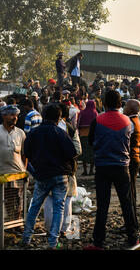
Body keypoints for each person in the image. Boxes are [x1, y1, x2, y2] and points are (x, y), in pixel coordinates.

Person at [85, 90, 138, 249]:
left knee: (103, 205)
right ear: (119, 103)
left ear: (105, 103)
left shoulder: (97, 120)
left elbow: (91, 141)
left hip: (102, 167)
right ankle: (132, 238)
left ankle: (99, 241)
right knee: (126, 203)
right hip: (122, 167)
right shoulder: (129, 122)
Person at [21, 103, 77, 249]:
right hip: (60, 176)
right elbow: (72, 152)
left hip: (42, 175)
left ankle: (26, 238)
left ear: (43, 115)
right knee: (59, 207)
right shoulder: (60, 133)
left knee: (34, 206)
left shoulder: (34, 133)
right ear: (58, 118)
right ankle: (53, 242)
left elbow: (26, 153)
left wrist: (35, 171)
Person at [44, 102, 81, 238]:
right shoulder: (70, 129)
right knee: (67, 200)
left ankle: (50, 230)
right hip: (67, 170)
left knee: (49, 199)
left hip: (47, 169)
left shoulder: (43, 129)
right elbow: (77, 150)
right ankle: (64, 230)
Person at [0, 105, 27, 221]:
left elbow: (24, 154)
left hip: (18, 173)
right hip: (3, 174)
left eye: (16, 115)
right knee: (5, 199)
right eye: (11, 115)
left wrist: (24, 170)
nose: (14, 118)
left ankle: (17, 222)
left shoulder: (20, 133)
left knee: (18, 199)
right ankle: (8, 223)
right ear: (4, 116)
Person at [123, 99, 140, 228]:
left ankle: (131, 223)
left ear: (130, 109)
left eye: (125, 106)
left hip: (130, 159)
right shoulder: (136, 120)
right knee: (131, 191)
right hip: (135, 158)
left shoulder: (130, 122)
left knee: (129, 192)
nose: (123, 108)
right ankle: (132, 222)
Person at [77, 100, 98, 176]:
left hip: (83, 135)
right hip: (93, 135)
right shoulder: (95, 113)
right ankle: (91, 170)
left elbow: (78, 123)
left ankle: (85, 170)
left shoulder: (82, 113)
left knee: (84, 153)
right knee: (92, 153)